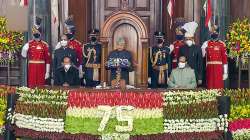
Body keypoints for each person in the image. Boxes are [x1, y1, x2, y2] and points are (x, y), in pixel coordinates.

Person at [21, 17, 51, 88]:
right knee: (32, 84)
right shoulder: (29, 44)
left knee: (41, 85)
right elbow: (23, 55)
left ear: (41, 33)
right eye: (35, 32)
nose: (36, 34)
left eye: (38, 32)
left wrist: (47, 72)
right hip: (32, 67)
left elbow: (48, 60)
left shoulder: (45, 45)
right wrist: (24, 49)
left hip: (41, 67)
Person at [201, 25, 228, 89]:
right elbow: (203, 56)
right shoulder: (206, 43)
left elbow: (225, 60)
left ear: (218, 33)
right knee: (210, 86)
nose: (214, 34)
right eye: (212, 32)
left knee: (218, 86)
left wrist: (225, 72)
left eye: (215, 32)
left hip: (218, 68)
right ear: (210, 33)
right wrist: (203, 48)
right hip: (209, 68)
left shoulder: (222, 44)